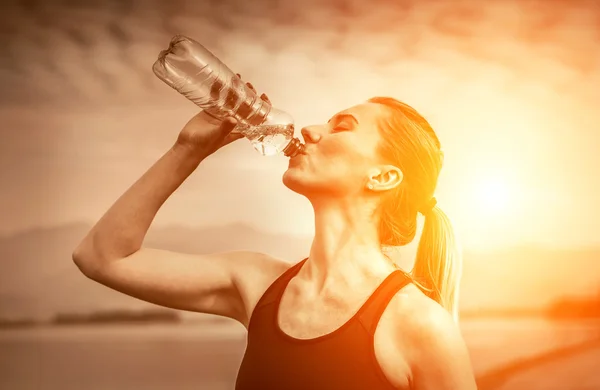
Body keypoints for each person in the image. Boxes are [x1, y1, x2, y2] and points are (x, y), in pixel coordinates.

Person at [73, 81, 477, 389]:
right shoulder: (257, 282)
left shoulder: (420, 325)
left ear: (384, 176)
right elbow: (102, 257)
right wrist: (188, 148)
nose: (312, 130)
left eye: (343, 127)